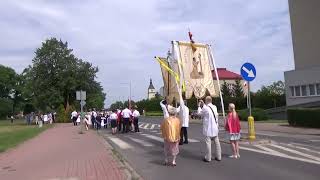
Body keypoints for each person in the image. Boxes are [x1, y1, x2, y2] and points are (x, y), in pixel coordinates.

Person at [198, 96, 222, 162]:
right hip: (215, 127)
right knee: (217, 142)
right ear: (211, 101)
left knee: (208, 143)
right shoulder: (215, 107)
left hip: (208, 128)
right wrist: (204, 104)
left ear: (206, 101)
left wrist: (199, 106)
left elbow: (199, 114)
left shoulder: (205, 108)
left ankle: (208, 158)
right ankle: (219, 156)